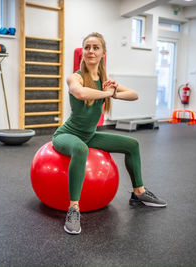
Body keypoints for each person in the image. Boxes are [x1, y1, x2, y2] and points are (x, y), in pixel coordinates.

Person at [52, 32, 167, 235]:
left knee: (132, 144)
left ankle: (139, 192)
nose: (91, 51)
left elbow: (134, 94)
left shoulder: (105, 80)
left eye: (96, 47)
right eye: (87, 47)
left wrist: (114, 92)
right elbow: (80, 93)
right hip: (67, 135)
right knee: (80, 148)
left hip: (90, 134)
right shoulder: (75, 77)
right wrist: (108, 93)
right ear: (82, 52)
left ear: (103, 53)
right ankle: (73, 208)